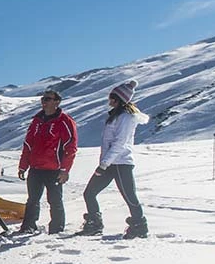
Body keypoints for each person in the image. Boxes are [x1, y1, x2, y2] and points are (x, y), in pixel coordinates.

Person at [76, 80, 150, 239]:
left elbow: (120, 143)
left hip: (121, 163)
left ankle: (139, 226)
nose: (109, 101)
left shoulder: (127, 118)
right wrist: (105, 163)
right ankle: (94, 224)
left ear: (119, 100)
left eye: (112, 98)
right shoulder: (116, 116)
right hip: (110, 164)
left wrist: (103, 164)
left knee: (130, 197)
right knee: (89, 193)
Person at [17, 89, 78, 234]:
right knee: (32, 199)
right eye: (43, 99)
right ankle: (28, 226)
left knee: (55, 201)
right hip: (36, 168)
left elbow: (71, 146)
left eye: (48, 99)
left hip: (54, 169)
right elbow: (28, 144)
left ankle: (57, 229)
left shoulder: (65, 121)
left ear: (57, 102)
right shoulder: (36, 120)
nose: (44, 102)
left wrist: (65, 170)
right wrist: (23, 166)